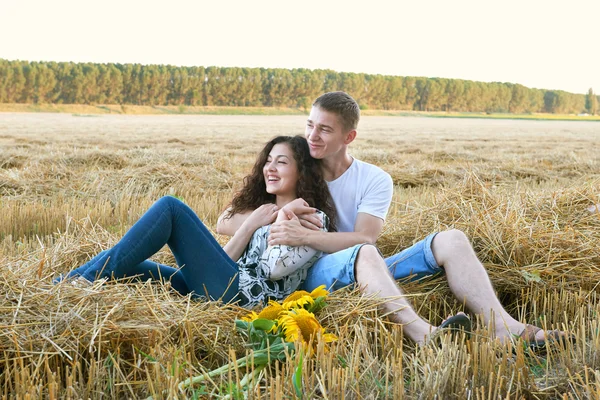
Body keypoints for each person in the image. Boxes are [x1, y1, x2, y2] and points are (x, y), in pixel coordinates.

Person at [218, 92, 569, 346]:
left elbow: (365, 238)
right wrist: (279, 219)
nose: (312, 136)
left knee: (452, 239)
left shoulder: (374, 179)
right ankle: (423, 335)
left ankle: (504, 328)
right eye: (310, 125)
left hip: (359, 262)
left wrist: (305, 236)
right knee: (364, 255)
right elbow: (227, 221)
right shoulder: (294, 167)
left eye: (325, 129)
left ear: (348, 137)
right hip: (309, 273)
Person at [55, 136, 336, 309]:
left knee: (171, 208)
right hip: (225, 286)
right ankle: (61, 286)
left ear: (302, 173)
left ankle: (74, 285)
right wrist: (250, 224)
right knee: (131, 266)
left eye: (282, 162)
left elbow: (273, 269)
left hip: (246, 301)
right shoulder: (261, 212)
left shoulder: (311, 218)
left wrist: (279, 217)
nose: (270, 168)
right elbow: (226, 260)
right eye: (269, 161)